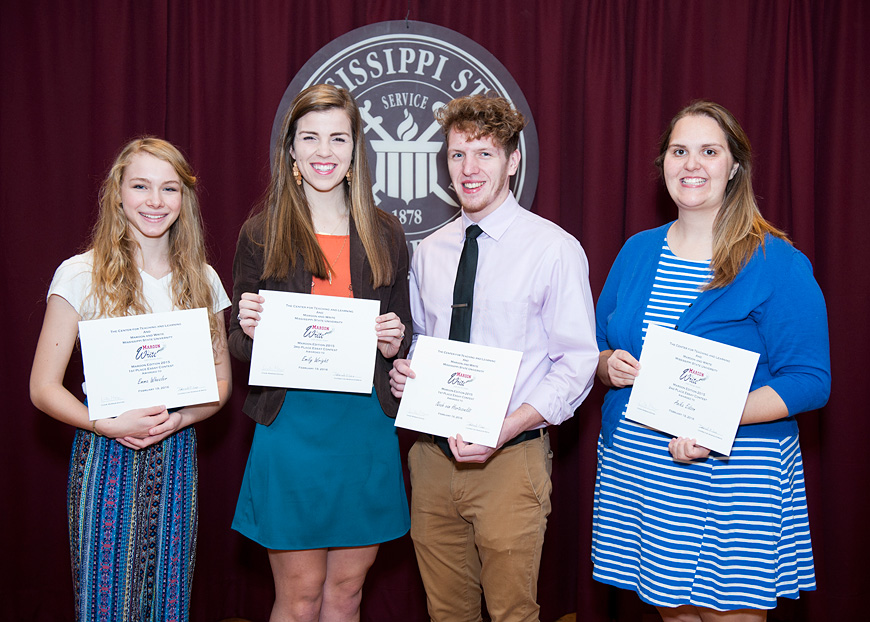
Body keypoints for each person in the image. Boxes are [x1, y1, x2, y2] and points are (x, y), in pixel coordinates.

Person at [591, 101, 831, 621]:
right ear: (663, 165)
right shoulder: (636, 251)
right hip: (644, 474)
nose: (691, 164)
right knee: (671, 613)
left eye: (709, 151)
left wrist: (717, 419)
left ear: (734, 166)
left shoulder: (778, 262)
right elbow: (596, 344)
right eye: (679, 151)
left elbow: (811, 380)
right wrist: (607, 364)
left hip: (734, 477)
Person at [389, 94, 598, 622]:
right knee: (446, 613)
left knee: (513, 614)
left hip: (511, 459)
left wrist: (503, 430)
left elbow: (576, 364)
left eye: (484, 153)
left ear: (513, 160)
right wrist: (404, 373)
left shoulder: (553, 249)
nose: (470, 169)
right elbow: (422, 344)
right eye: (457, 155)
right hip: (432, 460)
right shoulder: (430, 250)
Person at [228, 83, 411, 622]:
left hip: (363, 428)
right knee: (300, 596)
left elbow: (404, 334)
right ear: (291, 150)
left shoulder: (386, 233)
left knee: (346, 596)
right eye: (310, 138)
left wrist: (396, 340)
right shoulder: (261, 232)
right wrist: (249, 328)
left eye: (338, 138)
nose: (324, 152)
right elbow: (238, 344)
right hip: (291, 429)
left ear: (356, 149)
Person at [30, 137, 232, 621]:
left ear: (185, 198)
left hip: (176, 454)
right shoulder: (81, 274)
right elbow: (42, 387)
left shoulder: (202, 279)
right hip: (105, 457)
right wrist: (106, 425)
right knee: (106, 603)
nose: (155, 202)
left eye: (169, 189)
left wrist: (179, 419)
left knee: (168, 600)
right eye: (141, 186)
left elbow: (221, 384)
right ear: (117, 193)